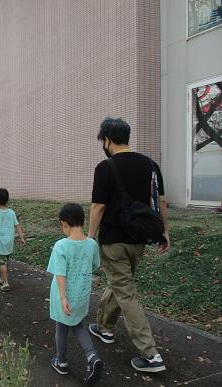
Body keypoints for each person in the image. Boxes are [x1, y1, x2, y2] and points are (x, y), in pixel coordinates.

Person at [87, 117, 170, 373]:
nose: (102, 144)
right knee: (120, 283)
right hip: (140, 239)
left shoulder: (105, 167)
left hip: (113, 240)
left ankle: (151, 355)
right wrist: (164, 231)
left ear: (108, 140)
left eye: (102, 140)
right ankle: (104, 328)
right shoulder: (151, 165)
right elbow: (161, 201)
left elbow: (98, 206)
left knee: (125, 290)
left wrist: (90, 237)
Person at [47, 203, 103, 384]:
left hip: (64, 296)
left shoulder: (61, 246)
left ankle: (61, 361)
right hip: (82, 295)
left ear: (64, 223)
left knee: (61, 329)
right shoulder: (91, 244)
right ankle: (92, 356)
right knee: (79, 325)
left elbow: (60, 273)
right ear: (82, 221)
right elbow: (95, 264)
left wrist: (63, 297)